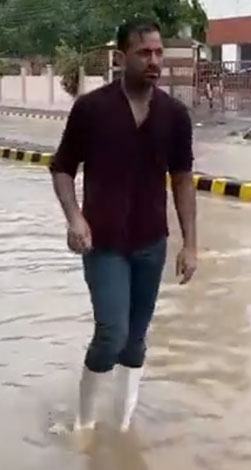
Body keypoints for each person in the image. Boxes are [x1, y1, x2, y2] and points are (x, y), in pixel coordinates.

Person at [49, 18, 197, 433]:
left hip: (152, 243)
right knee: (112, 333)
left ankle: (123, 426)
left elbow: (182, 180)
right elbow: (62, 169)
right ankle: (84, 424)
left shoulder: (174, 115)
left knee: (135, 341)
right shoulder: (92, 109)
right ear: (121, 57)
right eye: (143, 53)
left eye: (158, 53)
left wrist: (191, 245)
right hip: (104, 243)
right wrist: (74, 218)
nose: (154, 61)